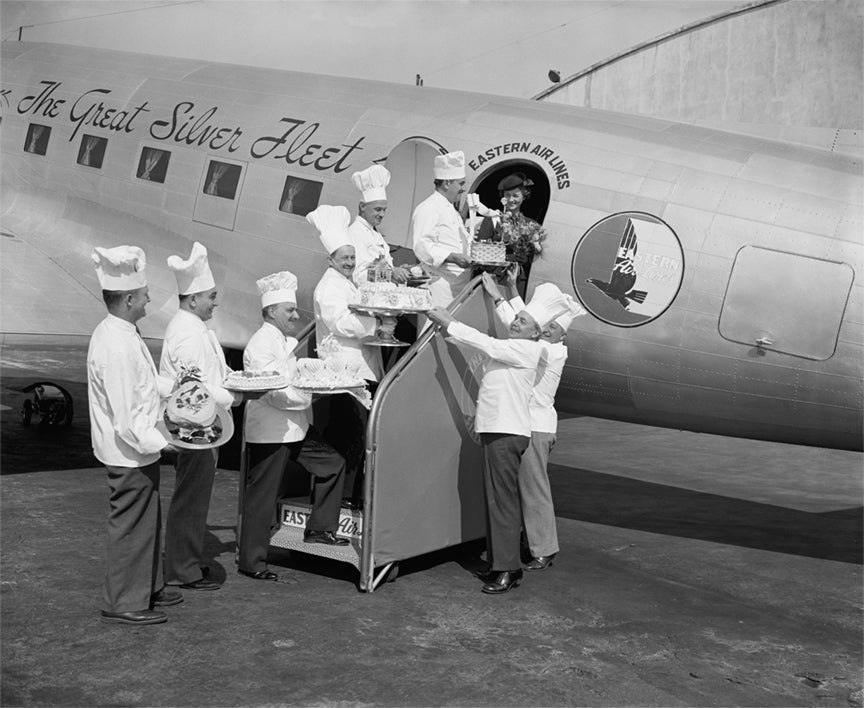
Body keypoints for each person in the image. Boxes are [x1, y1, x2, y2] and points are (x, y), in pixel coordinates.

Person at [426, 288, 569, 594]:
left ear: (536, 334)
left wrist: (450, 322)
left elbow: (486, 343)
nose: (516, 322)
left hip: (507, 432)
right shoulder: (515, 347)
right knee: (498, 499)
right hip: (498, 430)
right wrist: (449, 333)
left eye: (524, 321)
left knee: (502, 501)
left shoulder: (528, 351)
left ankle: (508, 568)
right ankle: (501, 563)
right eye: (517, 318)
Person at [87, 245, 180, 625]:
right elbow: (127, 420)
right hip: (129, 451)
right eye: (144, 295)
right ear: (128, 298)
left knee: (147, 523)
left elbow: (146, 384)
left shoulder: (123, 332)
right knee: (130, 527)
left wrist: (176, 387)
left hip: (137, 450)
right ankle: (123, 600)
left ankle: (149, 586)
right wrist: (168, 444)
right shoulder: (117, 345)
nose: (148, 299)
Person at [238, 270, 349, 579]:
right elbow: (276, 393)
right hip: (272, 432)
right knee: (262, 497)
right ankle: (252, 562)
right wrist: (310, 396)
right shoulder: (260, 344)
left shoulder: (283, 341)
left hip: (295, 428)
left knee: (332, 464)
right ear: (271, 311)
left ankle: (319, 529)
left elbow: (294, 379)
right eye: (289, 310)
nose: (296, 316)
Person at [482, 270, 585, 570]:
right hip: (528, 425)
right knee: (525, 486)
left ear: (562, 334)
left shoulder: (551, 352)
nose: (546, 329)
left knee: (533, 487)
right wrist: (513, 288)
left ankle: (544, 548)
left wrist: (499, 297)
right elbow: (525, 319)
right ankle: (534, 541)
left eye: (552, 327)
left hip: (537, 427)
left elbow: (520, 327)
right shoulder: (542, 345)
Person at [159, 242, 247, 591]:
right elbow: (195, 392)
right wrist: (238, 396)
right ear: (193, 299)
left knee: (195, 500)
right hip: (195, 430)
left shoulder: (196, 328)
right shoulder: (186, 333)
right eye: (211, 295)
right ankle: (182, 570)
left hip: (207, 428)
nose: (216, 301)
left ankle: (188, 563)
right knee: (190, 501)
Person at [308, 205, 381, 508]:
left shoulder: (345, 282)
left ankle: (349, 497)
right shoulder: (330, 287)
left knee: (356, 436)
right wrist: (377, 324)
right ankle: (344, 499)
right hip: (344, 371)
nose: (351, 263)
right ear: (331, 260)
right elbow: (341, 321)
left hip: (358, 369)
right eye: (345, 258)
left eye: (353, 257)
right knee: (348, 437)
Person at [411, 150, 472, 308]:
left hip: (459, 287)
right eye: (461, 183)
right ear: (447, 183)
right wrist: (453, 257)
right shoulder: (429, 208)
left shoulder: (451, 210)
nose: (463, 189)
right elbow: (421, 245)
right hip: (439, 287)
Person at [476, 172, 547, 298]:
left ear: (524, 196)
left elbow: (535, 262)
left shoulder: (531, 225)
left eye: (515, 195)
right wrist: (507, 257)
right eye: (507, 195)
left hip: (519, 281)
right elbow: (479, 254)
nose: (511, 200)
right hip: (495, 279)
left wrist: (526, 257)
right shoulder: (492, 220)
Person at [349, 164, 410, 286]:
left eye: (384, 210)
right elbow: (358, 276)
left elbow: (383, 265)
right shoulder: (355, 233)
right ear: (362, 206)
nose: (382, 214)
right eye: (378, 209)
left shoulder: (375, 234)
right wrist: (391, 273)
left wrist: (399, 270)